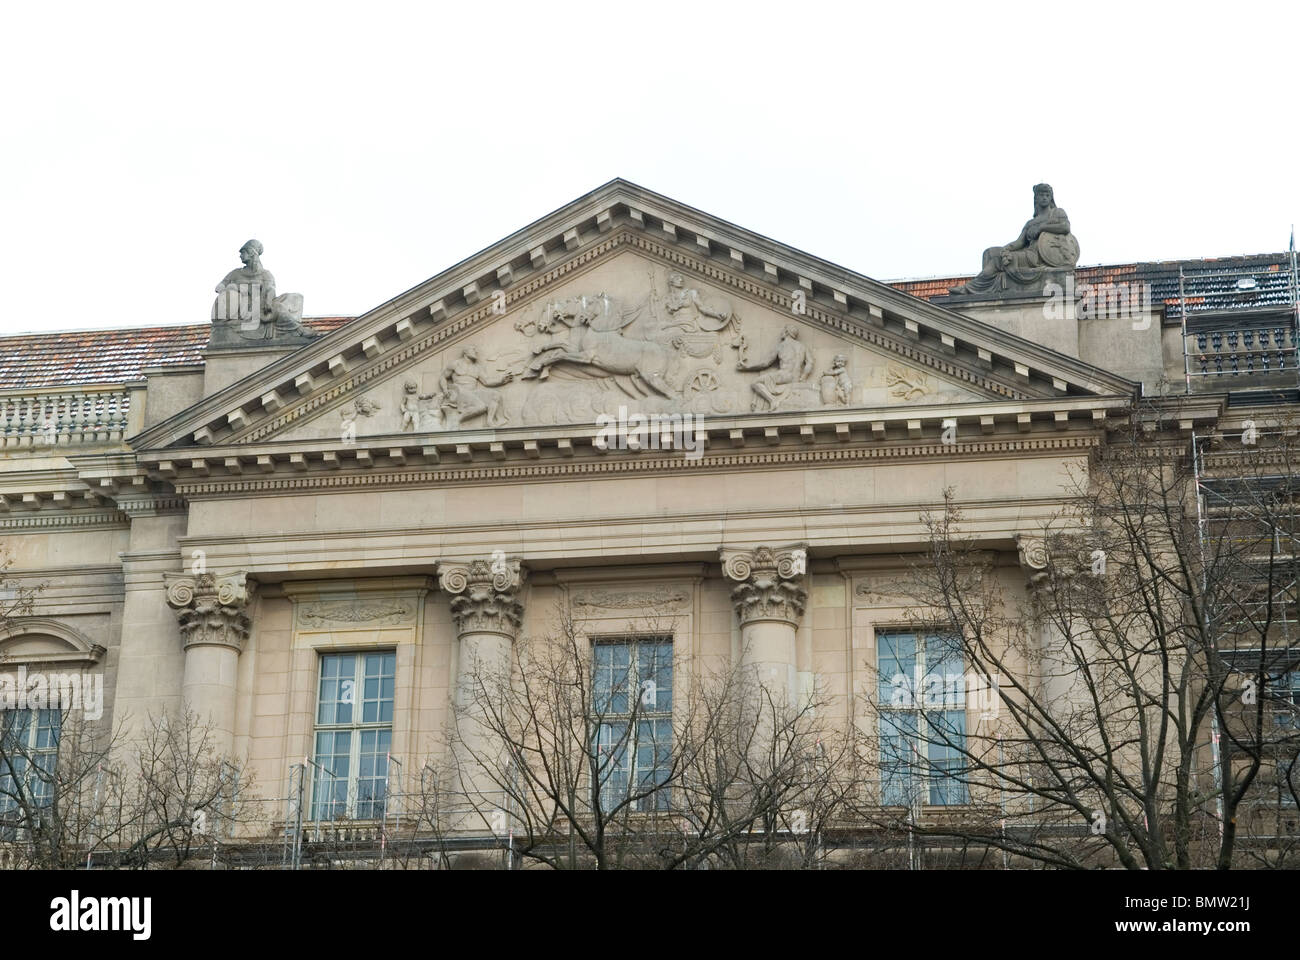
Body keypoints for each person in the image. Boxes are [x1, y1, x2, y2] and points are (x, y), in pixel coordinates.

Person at [949, 184, 1080, 296]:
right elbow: (1019, 243)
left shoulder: (1057, 213)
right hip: (1027, 254)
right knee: (990, 253)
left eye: (1047, 195)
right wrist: (1006, 249)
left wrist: (1041, 228)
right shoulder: (1030, 223)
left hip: (1038, 258)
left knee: (997, 262)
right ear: (1036, 198)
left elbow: (1065, 227)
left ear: (1051, 197)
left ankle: (969, 289)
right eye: (1041, 195)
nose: (1045, 197)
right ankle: (982, 292)